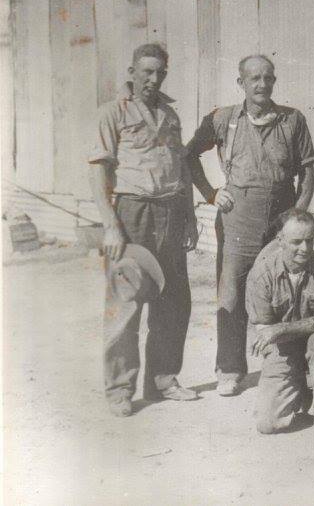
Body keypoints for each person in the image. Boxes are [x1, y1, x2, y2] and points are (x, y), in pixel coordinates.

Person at [186, 54, 314, 397]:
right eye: (254, 79)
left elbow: (308, 173)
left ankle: (289, 364)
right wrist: (211, 194)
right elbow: (188, 157)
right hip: (237, 218)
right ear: (241, 83)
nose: (262, 85)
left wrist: (297, 218)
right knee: (231, 291)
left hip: (281, 217)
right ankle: (229, 369)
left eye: (268, 78)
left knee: (287, 290)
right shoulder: (222, 119)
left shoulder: (292, 120)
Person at [88, 42, 199, 416]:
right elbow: (98, 172)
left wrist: (190, 216)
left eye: (160, 72)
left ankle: (162, 380)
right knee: (126, 302)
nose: (153, 79)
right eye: (147, 72)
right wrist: (111, 226)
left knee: (174, 300)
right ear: (132, 72)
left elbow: (181, 168)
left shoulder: (169, 114)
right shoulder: (112, 112)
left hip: (170, 211)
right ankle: (120, 389)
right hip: (132, 213)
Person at [245, 210, 314, 443]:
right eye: (296, 242)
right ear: (279, 240)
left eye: (309, 240)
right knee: (267, 424)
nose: (305, 248)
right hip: (283, 349)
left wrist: (281, 329)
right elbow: (264, 329)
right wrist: (277, 333)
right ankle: (307, 390)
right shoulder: (261, 274)